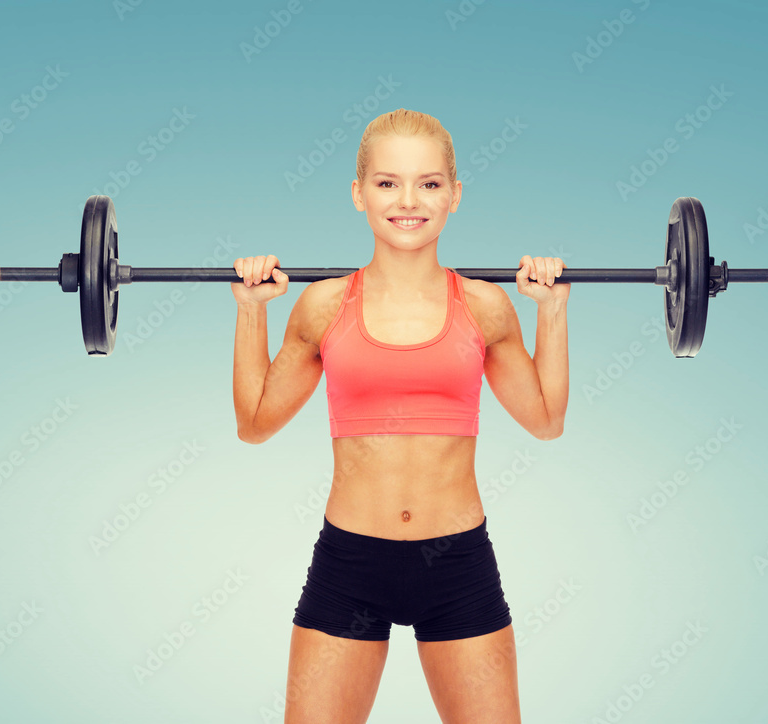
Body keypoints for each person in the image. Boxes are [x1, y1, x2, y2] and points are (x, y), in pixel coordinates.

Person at [231, 108, 569, 724]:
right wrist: (251, 310)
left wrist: (551, 310)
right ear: (359, 193)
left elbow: (546, 420)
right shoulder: (324, 305)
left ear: (455, 196)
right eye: (387, 183)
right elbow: (254, 424)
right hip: (351, 563)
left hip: (458, 564)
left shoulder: (486, 307)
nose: (408, 200)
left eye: (430, 183)